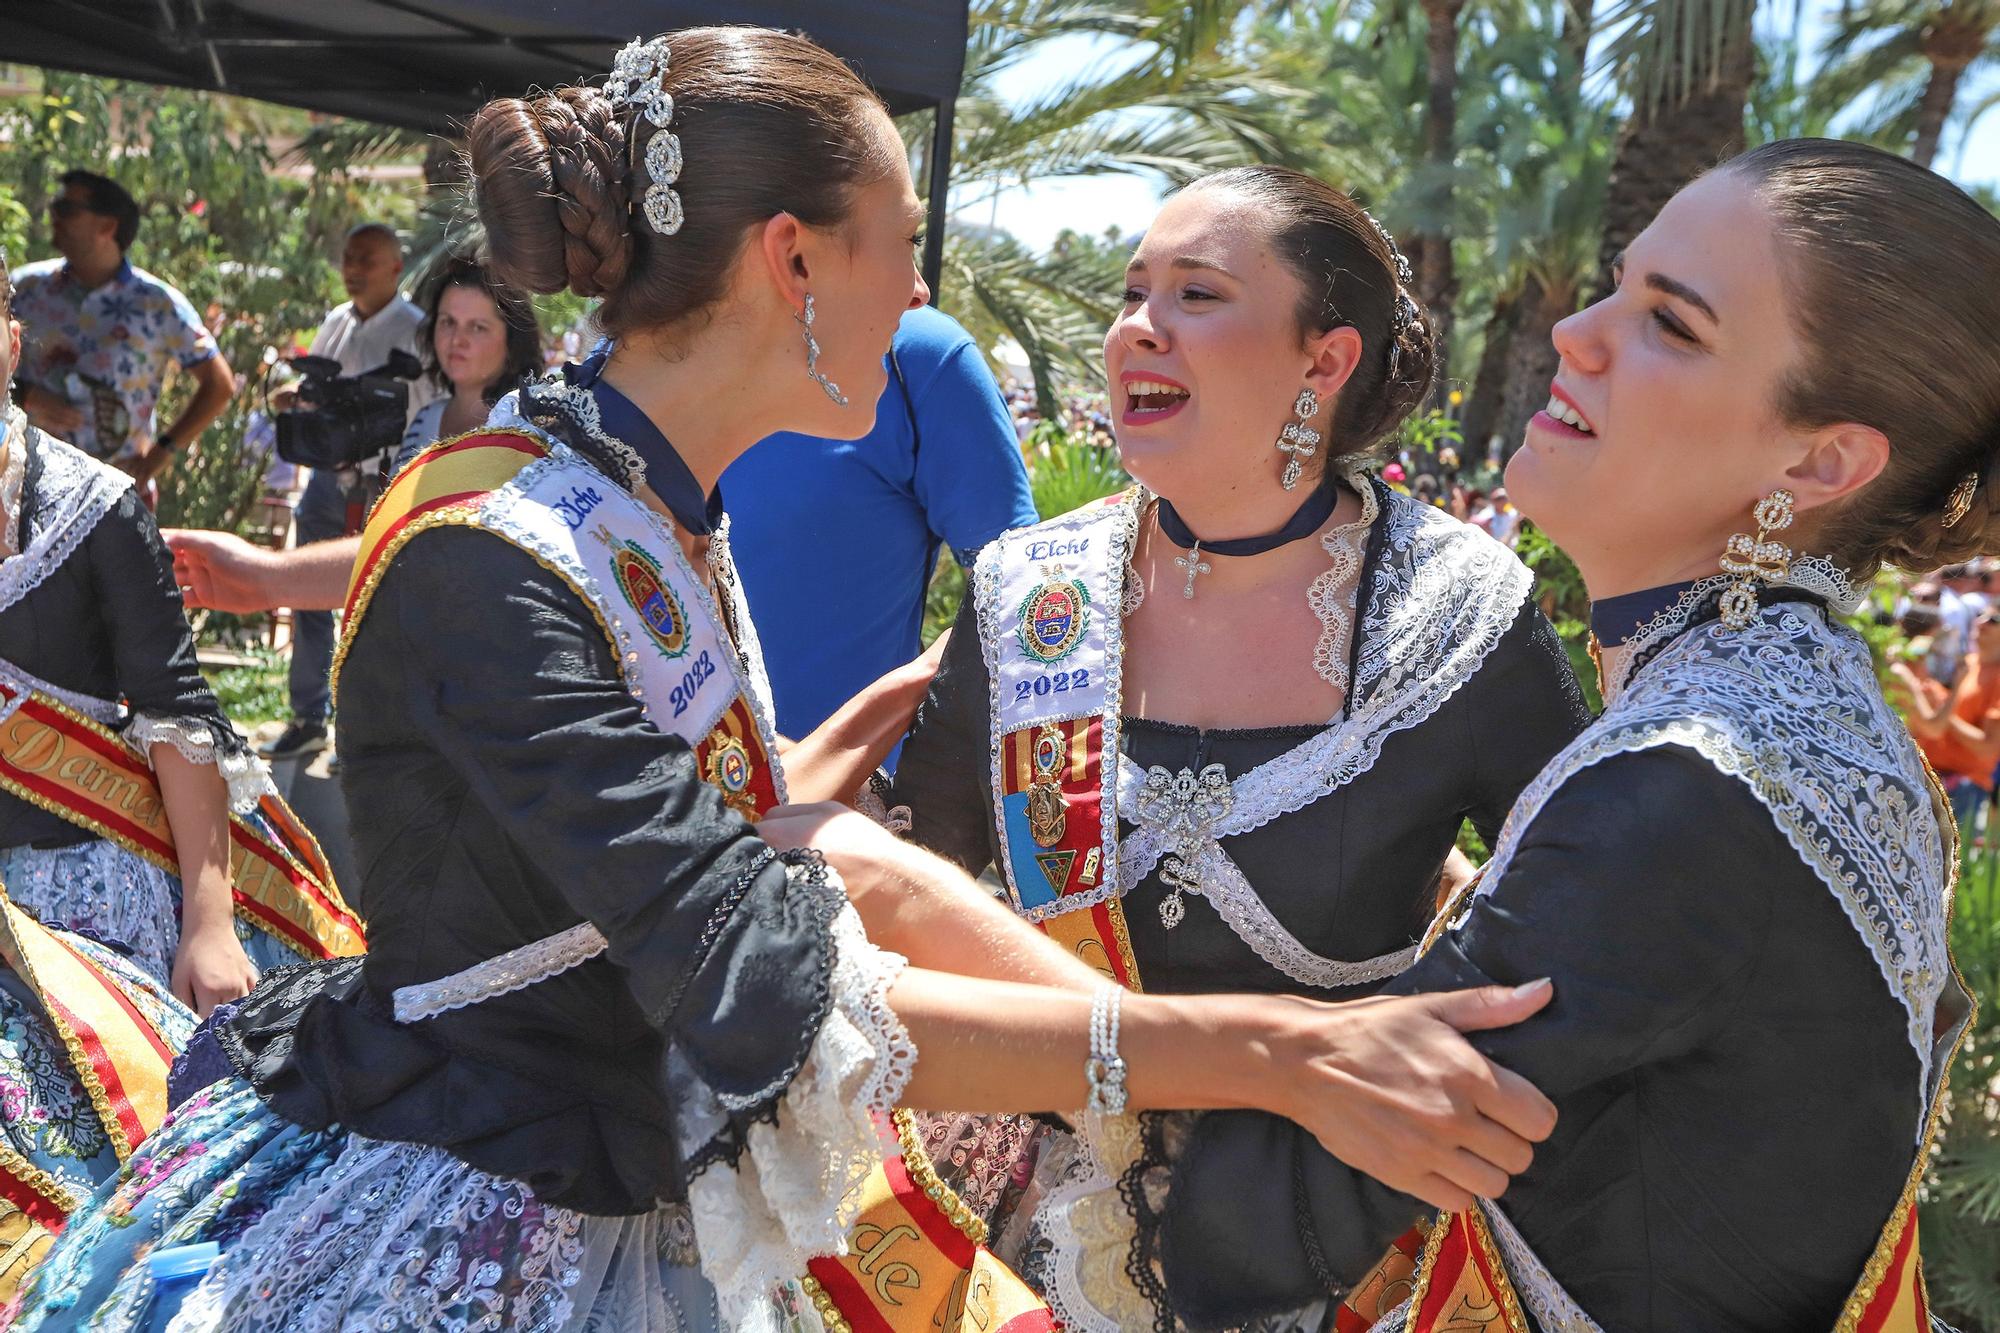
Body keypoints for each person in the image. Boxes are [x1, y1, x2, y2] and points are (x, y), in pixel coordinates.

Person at [5, 30, 1557, 1333]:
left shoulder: (651, 500)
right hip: (492, 1205)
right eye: (901, 245)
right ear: (792, 260)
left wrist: (1206, 1099)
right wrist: (1273, 1060)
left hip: (647, 1171)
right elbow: (768, 979)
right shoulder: (501, 551)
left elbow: (782, 857)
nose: (920, 292)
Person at [1139, 138, 1983, 1333]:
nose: (1577, 333)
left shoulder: (1685, 786)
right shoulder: (1791, 711)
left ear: (1817, 460)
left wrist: (945, 1000)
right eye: (1616, 284)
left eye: (1670, 325)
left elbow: (1248, 1231)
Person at [884, 166, 1588, 1331]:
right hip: (1023, 1229)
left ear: (1323, 361)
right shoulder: (1026, 597)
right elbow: (916, 901)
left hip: (1331, 1238)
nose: (1135, 330)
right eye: (1130, 291)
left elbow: (1577, 926)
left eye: (1195, 294)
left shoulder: (1457, 612)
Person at [721, 304, 1037, 740]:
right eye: (906, 241)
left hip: (857, 796)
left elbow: (1019, 608)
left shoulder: (920, 354)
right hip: (650, 788)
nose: (920, 287)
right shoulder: (629, 361)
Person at [263, 223, 428, 763]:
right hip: (326, 481)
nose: (353, 268)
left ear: (395, 268)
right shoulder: (336, 321)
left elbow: (425, 411)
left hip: (386, 481)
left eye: (367, 259)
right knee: (307, 593)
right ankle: (308, 717)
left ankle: (364, 727)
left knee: (376, 604)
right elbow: (320, 391)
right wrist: (299, 399)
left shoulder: (417, 331)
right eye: (349, 257)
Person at [7, 170, 237, 490]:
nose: (53, 215)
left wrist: (160, 455)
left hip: (114, 495)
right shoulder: (24, 287)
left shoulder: (157, 304)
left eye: (67, 208)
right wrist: (25, 394)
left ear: (107, 226)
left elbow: (219, 384)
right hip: (24, 485)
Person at [390, 256, 544, 475]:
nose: (456, 340)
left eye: (478, 327)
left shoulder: (529, 431)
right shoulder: (426, 418)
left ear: (513, 343)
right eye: (447, 322)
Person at [1893, 605, 2000, 833]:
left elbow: (1987, 749)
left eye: (1994, 619)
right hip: (1929, 775)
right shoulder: (1969, 663)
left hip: (1961, 787)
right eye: (1981, 615)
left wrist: (1942, 708)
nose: (1981, 622)